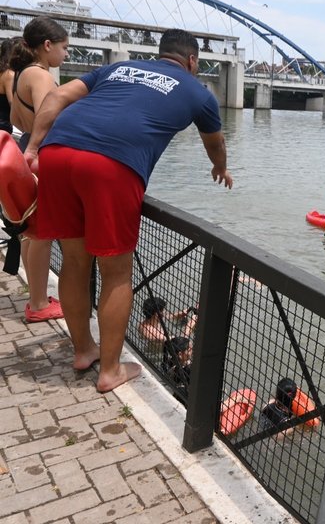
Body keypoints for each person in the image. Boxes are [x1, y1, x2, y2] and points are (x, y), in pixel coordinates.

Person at [23, 28, 234, 392]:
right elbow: (215, 143)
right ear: (192, 61)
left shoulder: (118, 69)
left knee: (74, 261)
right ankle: (110, 370)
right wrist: (220, 168)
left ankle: (83, 351)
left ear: (160, 53)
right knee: (116, 273)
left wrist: (33, 148)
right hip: (111, 164)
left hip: (57, 153)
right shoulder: (198, 92)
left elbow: (57, 96)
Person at [9, 16, 69, 322]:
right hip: (42, 156)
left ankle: (37, 297)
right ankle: (39, 305)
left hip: (25, 151)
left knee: (31, 233)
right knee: (43, 234)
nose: (66, 54)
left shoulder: (21, 74)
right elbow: (50, 119)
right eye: (64, 47)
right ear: (47, 45)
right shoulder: (42, 76)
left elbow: (17, 120)